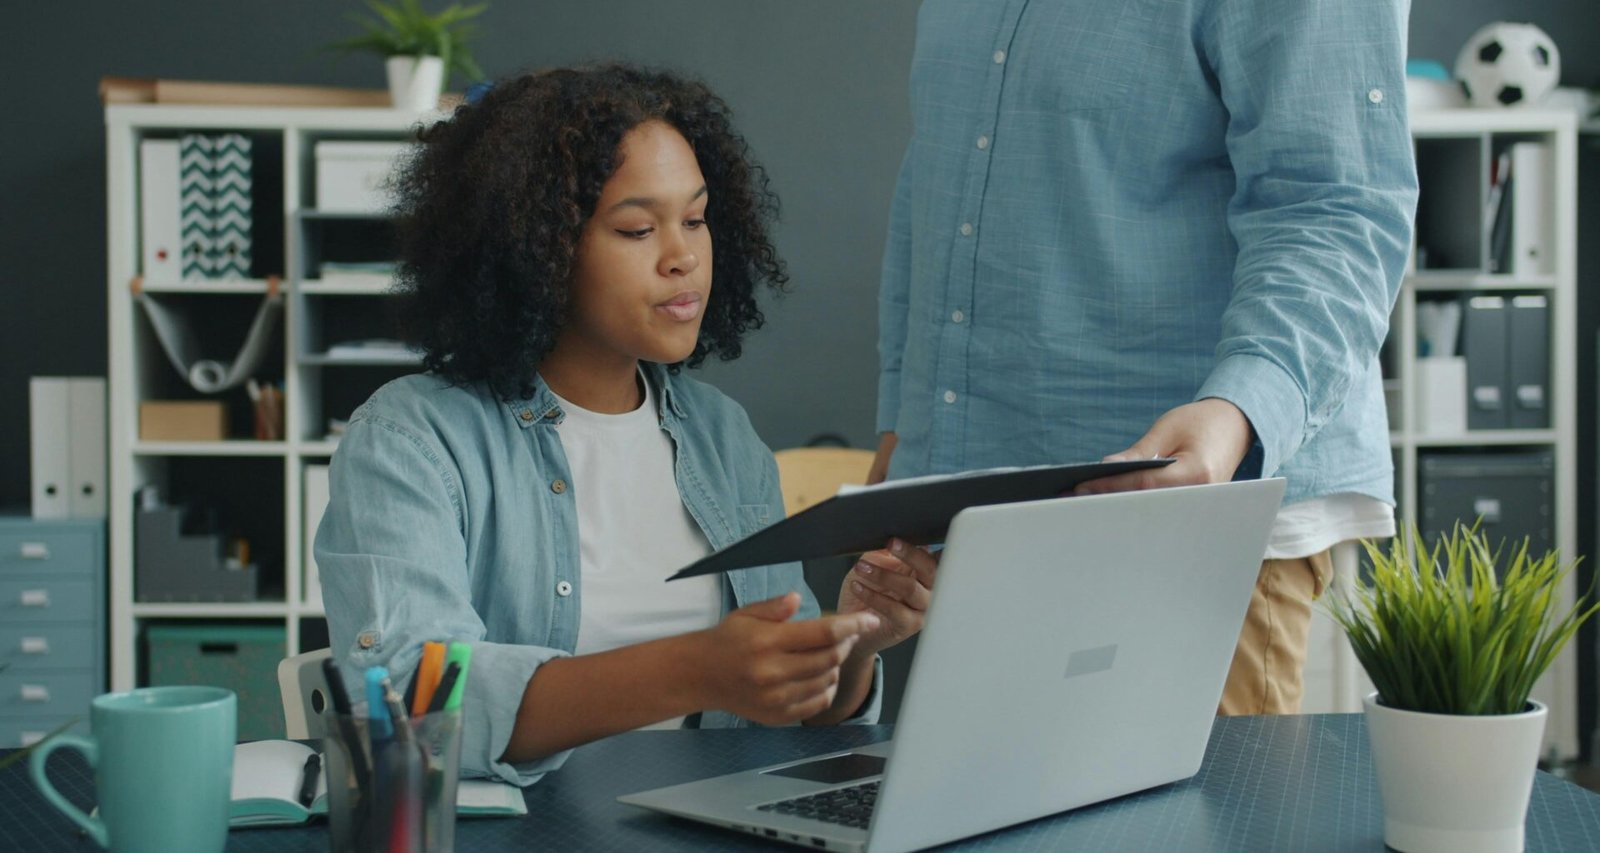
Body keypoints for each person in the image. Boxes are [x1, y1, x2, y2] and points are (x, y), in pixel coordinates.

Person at [317, 64, 937, 786]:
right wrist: (691, 669)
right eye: (638, 228)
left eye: (697, 219)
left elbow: (790, 720)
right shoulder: (412, 438)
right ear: (537, 249)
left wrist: (854, 642)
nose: (684, 257)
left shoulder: (723, 437)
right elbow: (410, 697)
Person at [869, 0, 1418, 714]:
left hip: (1193, 515)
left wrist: (1236, 414)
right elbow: (938, 171)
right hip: (986, 509)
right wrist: (905, 421)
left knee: (1195, 827)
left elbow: (1335, 203)